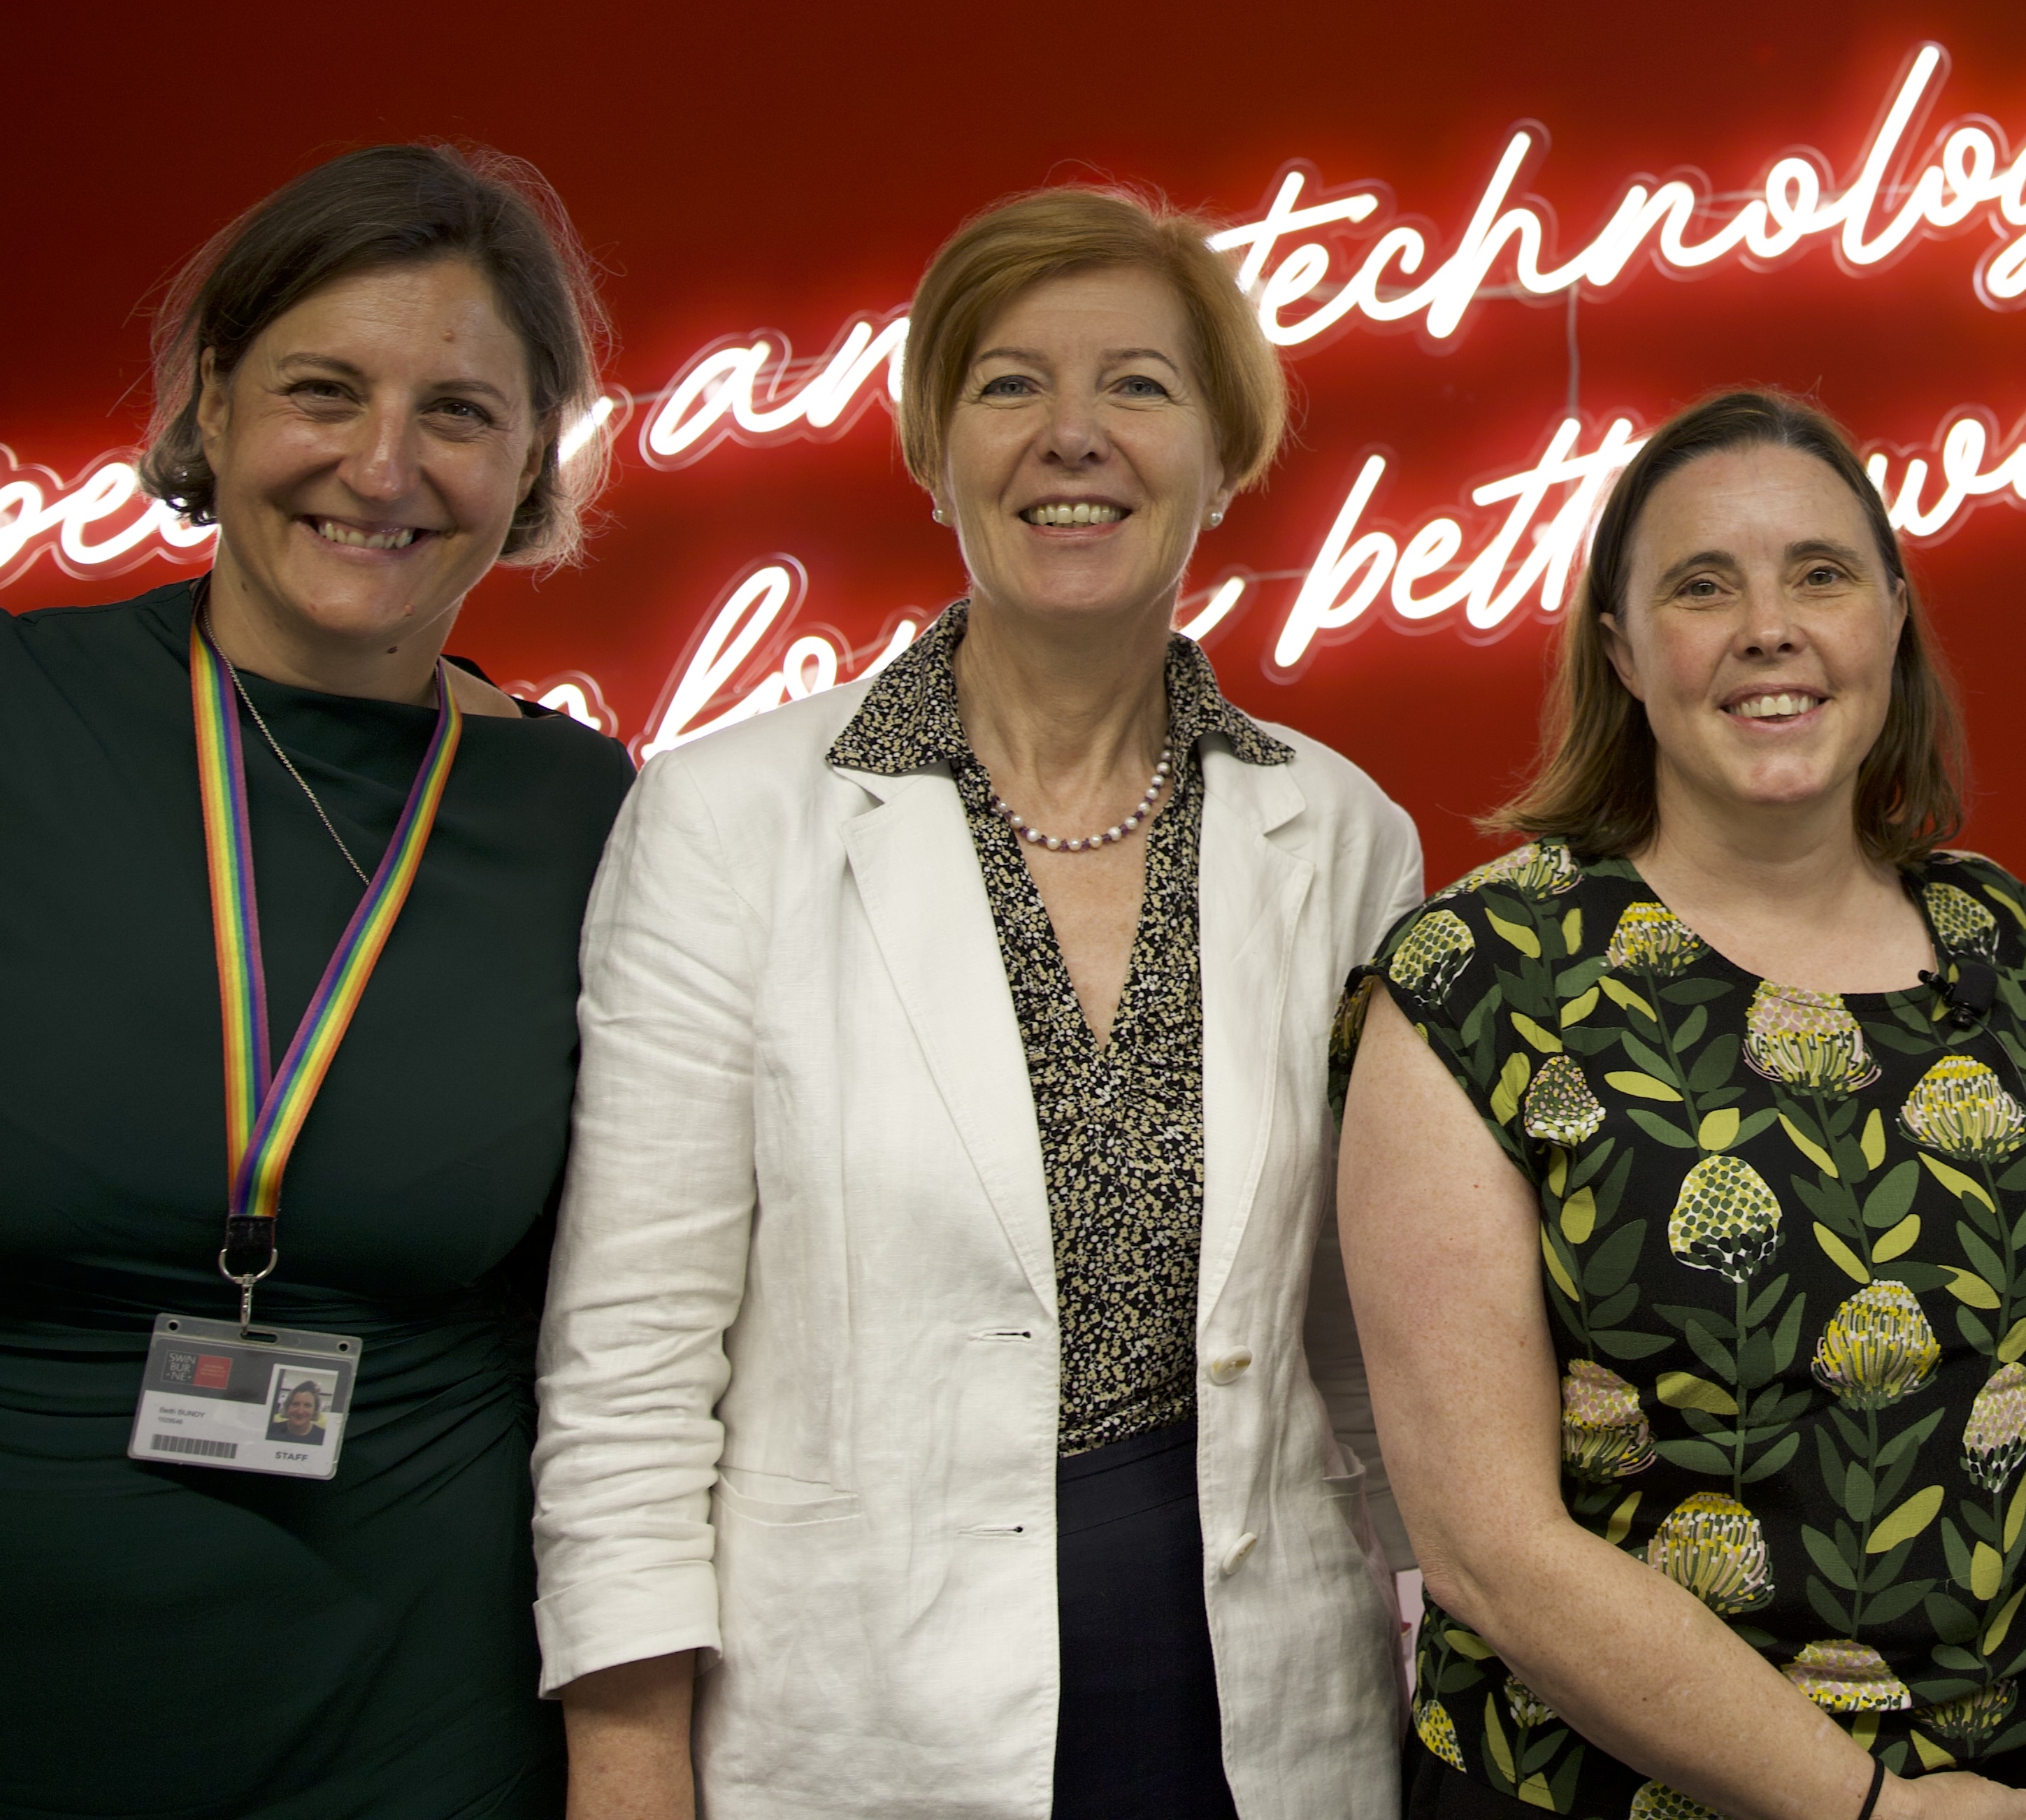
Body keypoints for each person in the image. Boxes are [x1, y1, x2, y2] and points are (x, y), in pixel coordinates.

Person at [0, 142, 633, 1819]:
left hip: (397, 1749)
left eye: (461, 412)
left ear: (535, 453)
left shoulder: (596, 821)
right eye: (322, 389)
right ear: (210, 398)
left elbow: (629, 1366)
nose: (382, 465)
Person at [534, 186, 1421, 1820]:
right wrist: (626, 1756)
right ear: (930, 447)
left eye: (1141, 387)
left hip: (1267, 1708)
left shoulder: (1348, 836)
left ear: (1225, 456)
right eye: (1010, 385)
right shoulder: (726, 817)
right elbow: (632, 1356)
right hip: (858, 1712)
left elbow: (1380, 1349)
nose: (1073, 436)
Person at [1338, 389, 2026, 1820]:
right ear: (1621, 650)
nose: (1768, 627)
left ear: (1894, 620)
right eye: (1701, 585)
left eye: (1821, 573)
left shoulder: (2004, 942)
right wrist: (1870, 1808)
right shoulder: (1479, 977)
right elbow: (1487, 1544)